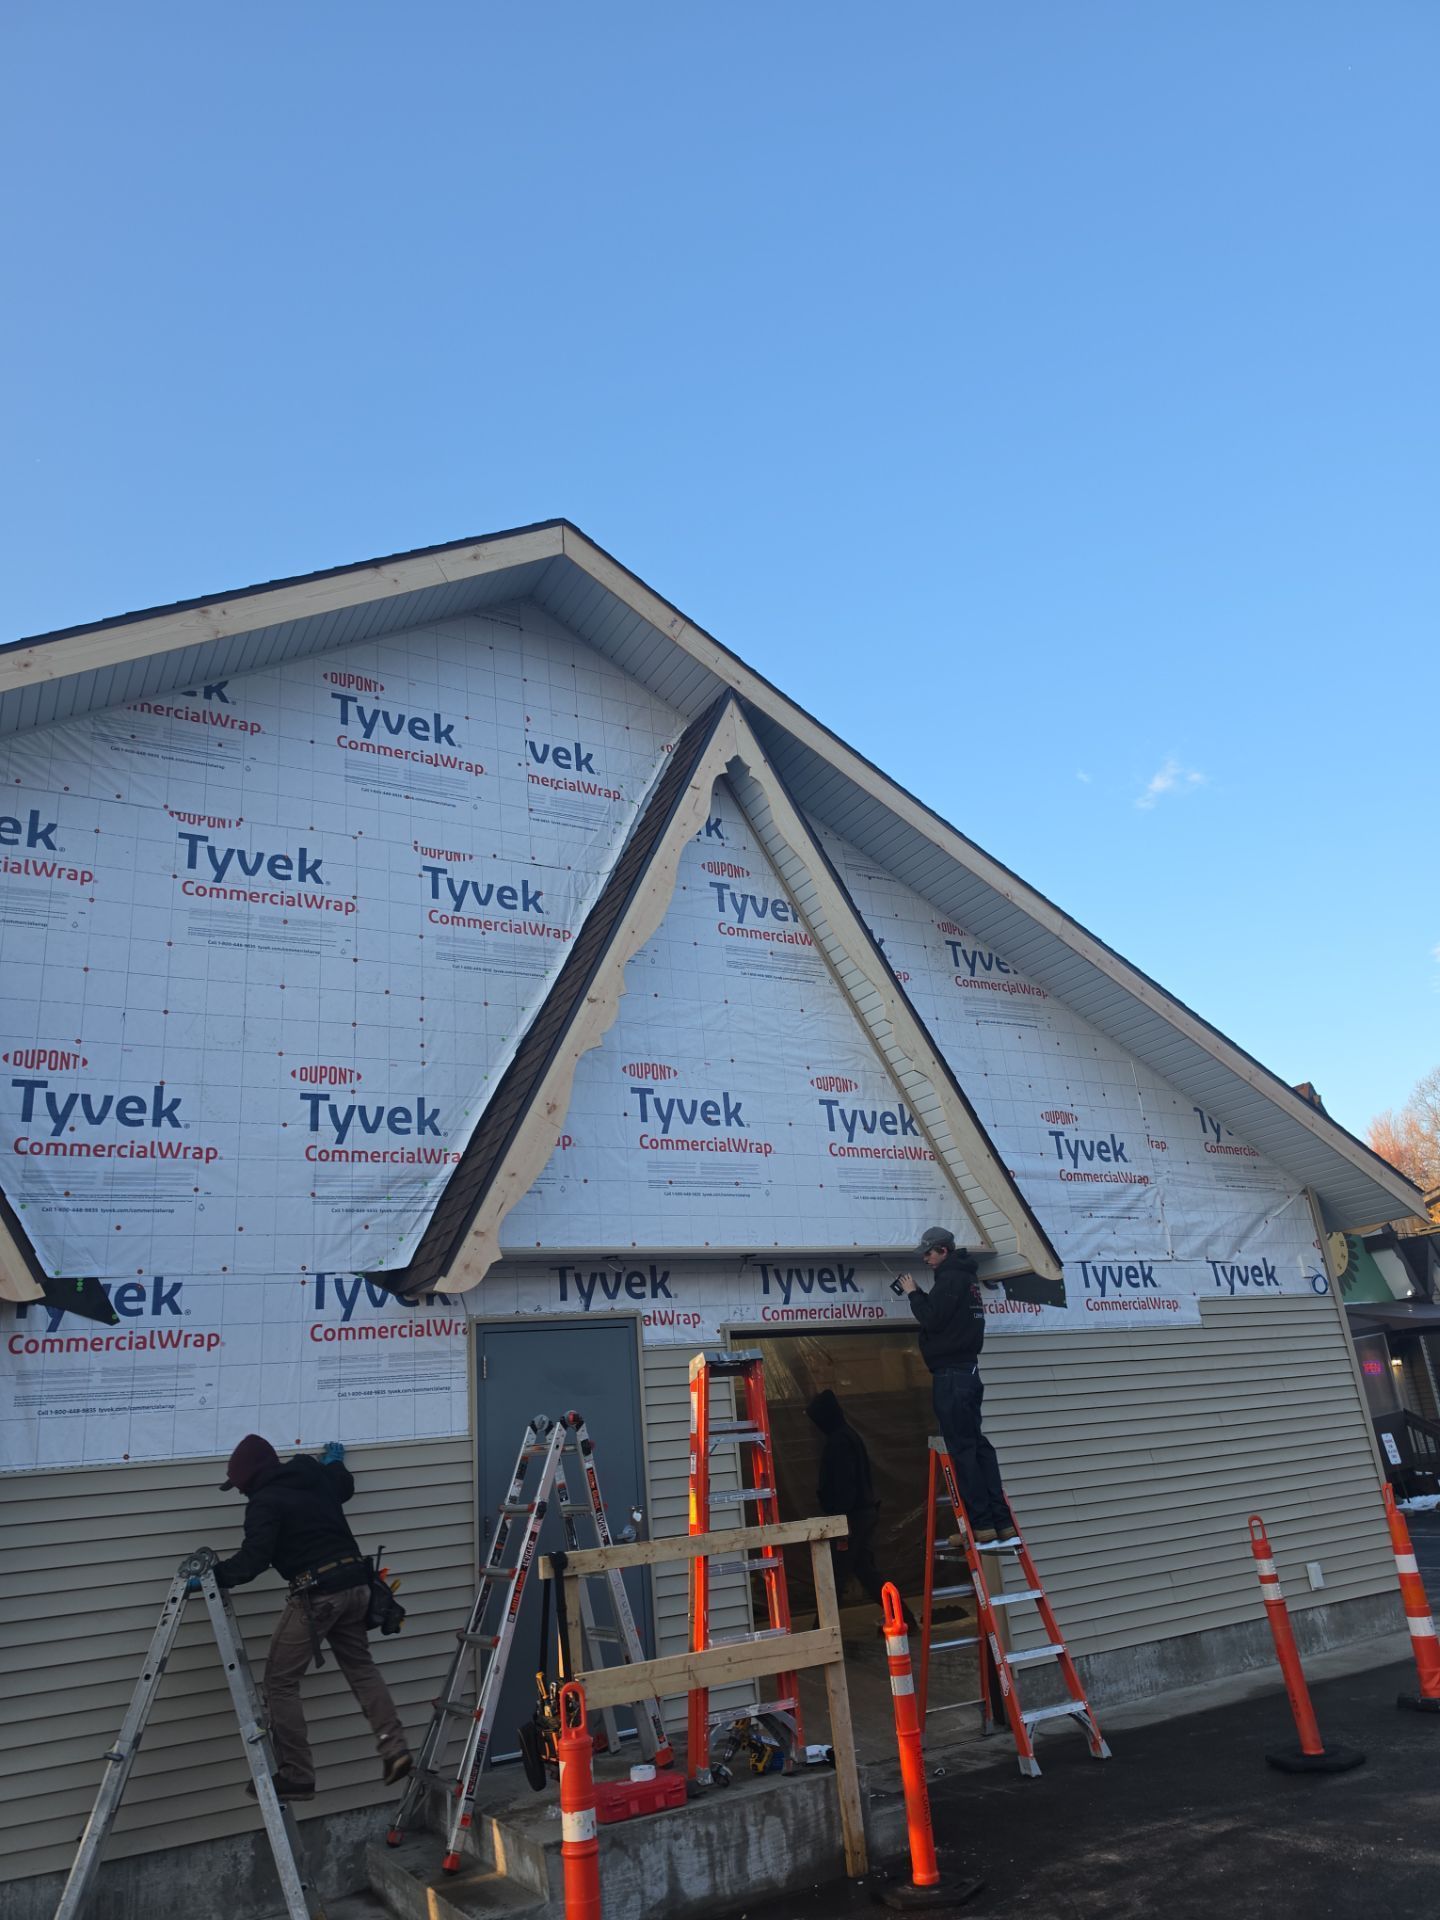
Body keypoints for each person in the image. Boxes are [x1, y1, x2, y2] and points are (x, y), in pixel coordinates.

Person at [209, 1433, 412, 1802]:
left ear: (251, 1477)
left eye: (239, 1485)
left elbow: (254, 1559)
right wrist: (334, 1461)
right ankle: (395, 1748)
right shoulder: (311, 1473)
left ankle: (297, 1776)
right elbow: (343, 1486)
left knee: (280, 1683)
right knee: (362, 1669)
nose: (240, 1493)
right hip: (357, 1586)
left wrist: (212, 1577)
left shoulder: (263, 1503)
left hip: (318, 1595)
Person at [897, 1226, 1019, 1546]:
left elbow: (933, 1320)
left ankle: (981, 1526)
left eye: (929, 1252)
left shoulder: (949, 1279)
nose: (925, 1258)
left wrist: (912, 1291)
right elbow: (947, 1317)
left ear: (944, 1251)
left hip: (951, 1376)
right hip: (968, 1373)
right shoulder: (966, 1280)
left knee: (963, 1449)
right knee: (977, 1446)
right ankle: (1001, 1522)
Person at [805, 1389, 916, 1628]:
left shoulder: (838, 1441)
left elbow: (845, 1483)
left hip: (851, 1518)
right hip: (859, 1515)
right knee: (865, 1572)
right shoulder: (847, 1436)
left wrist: (841, 1522)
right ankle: (903, 1618)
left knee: (836, 1576)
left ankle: (821, 1631)